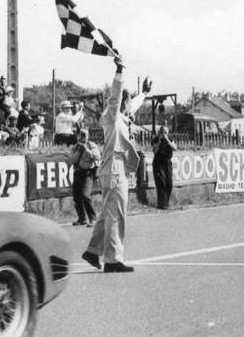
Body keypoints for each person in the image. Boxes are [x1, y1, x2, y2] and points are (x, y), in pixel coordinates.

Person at [81, 58, 151, 274]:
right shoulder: (112, 116)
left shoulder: (121, 117)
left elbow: (132, 104)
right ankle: (113, 260)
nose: (131, 109)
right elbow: (115, 98)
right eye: (128, 104)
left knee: (108, 213)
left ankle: (93, 251)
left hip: (114, 168)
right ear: (123, 104)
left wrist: (144, 94)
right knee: (117, 213)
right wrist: (119, 72)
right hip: (113, 169)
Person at [69, 128, 101, 226]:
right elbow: (72, 161)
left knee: (85, 195)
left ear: (88, 136)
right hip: (79, 172)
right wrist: (78, 150)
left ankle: (93, 219)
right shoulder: (75, 147)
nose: (83, 137)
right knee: (76, 196)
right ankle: (82, 218)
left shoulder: (92, 146)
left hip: (88, 173)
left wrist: (86, 150)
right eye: (81, 135)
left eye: (85, 135)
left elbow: (97, 157)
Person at [151, 125, 177, 209]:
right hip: (158, 163)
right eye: (162, 132)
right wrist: (159, 141)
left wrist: (167, 140)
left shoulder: (170, 138)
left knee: (169, 183)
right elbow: (155, 151)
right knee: (161, 183)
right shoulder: (156, 139)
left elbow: (175, 148)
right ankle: (162, 204)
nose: (164, 134)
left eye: (165, 132)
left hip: (167, 162)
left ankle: (166, 202)